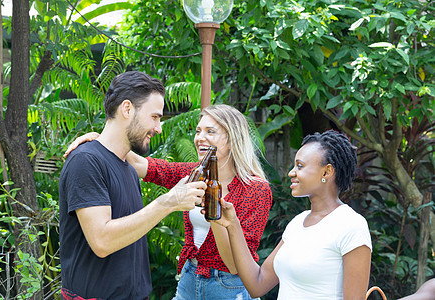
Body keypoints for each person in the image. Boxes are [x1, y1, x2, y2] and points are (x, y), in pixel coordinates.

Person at [66, 104, 273, 300]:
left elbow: (234, 265)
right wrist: (102, 142)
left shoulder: (255, 189)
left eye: (210, 132)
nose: (200, 138)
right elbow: (143, 165)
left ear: (231, 140)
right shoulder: (193, 174)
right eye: (198, 131)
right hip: (190, 277)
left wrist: (214, 212)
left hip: (228, 286)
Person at [59, 71, 207, 300]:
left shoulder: (127, 166)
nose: (159, 128)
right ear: (127, 109)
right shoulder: (85, 161)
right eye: (155, 117)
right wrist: (167, 203)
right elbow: (102, 241)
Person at [212, 130, 372, 299]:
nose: (291, 172)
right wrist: (232, 225)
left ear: (326, 172)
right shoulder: (297, 223)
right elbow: (257, 284)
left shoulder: (351, 225)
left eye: (300, 166)